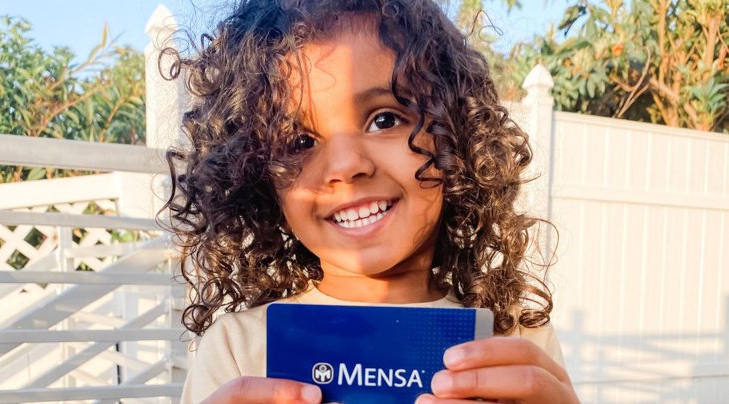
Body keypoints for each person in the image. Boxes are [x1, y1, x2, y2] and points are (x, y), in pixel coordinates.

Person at [163, 0, 579, 402]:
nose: (346, 166)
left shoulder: (515, 344)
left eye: (384, 119)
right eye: (299, 142)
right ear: (258, 181)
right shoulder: (238, 352)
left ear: (454, 134)